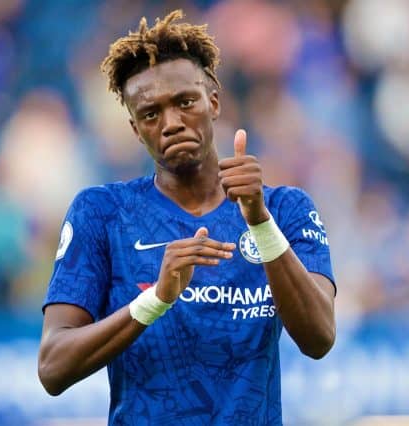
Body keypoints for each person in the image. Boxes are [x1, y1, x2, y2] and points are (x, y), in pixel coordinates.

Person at [38, 10, 336, 425]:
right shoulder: (102, 214)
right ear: (134, 129)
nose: (172, 123)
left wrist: (260, 223)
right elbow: (52, 367)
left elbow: (320, 337)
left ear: (213, 101)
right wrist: (155, 300)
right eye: (150, 114)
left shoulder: (286, 209)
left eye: (185, 101)